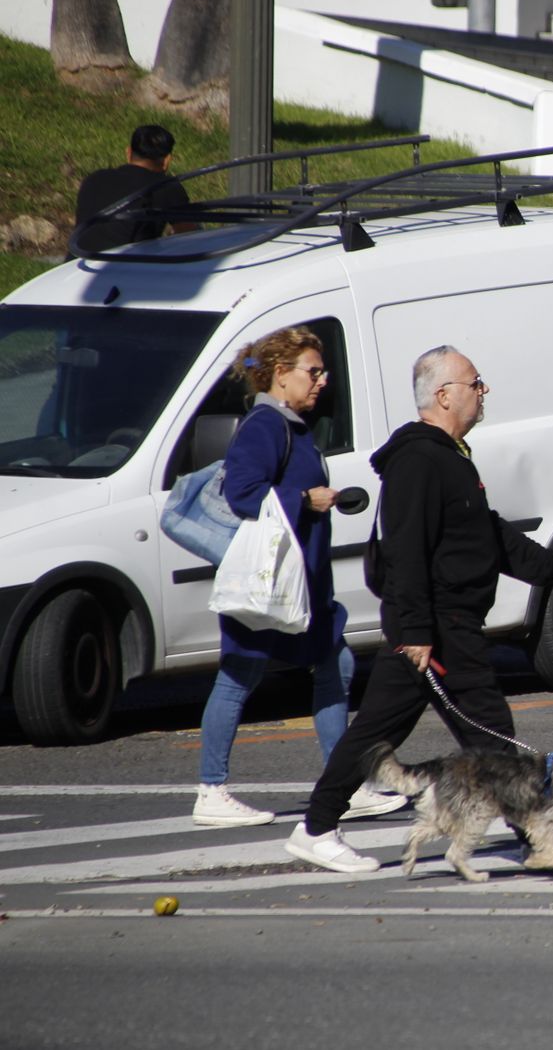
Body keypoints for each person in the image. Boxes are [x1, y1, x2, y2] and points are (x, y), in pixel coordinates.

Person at [285, 345, 553, 873]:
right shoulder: (419, 461)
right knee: (477, 733)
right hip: (436, 629)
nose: (483, 390)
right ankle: (316, 828)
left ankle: (536, 831)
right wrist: (416, 631)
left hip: (444, 626)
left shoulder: (449, 456)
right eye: (475, 382)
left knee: (466, 732)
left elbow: (488, 535)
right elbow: (404, 551)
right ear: (445, 394)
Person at [192, 326, 405, 827]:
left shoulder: (289, 423)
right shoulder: (267, 425)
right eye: (312, 371)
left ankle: (345, 782)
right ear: (280, 374)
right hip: (274, 581)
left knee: (336, 665)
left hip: (303, 584)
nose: (322, 381)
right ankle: (211, 789)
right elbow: (242, 493)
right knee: (238, 676)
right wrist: (305, 500)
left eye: (321, 371)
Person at [72, 124, 195, 255]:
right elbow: (189, 238)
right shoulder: (166, 187)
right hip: (123, 269)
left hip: (74, 267)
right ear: (167, 160)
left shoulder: (94, 179)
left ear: (128, 152)